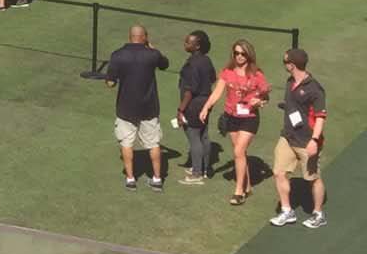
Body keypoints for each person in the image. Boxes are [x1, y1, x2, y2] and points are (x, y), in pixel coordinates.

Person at [201, 39, 269, 205]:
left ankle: (239, 192)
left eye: (243, 53)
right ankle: (247, 186)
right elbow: (217, 92)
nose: (239, 56)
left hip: (249, 118)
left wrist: (258, 102)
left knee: (238, 152)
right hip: (231, 117)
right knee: (240, 153)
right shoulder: (227, 72)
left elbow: (265, 96)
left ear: (249, 55)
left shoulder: (257, 75)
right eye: (236, 53)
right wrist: (206, 108)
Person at [104, 24, 168, 190]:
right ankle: (157, 178)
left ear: (129, 36)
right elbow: (164, 63)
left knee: (126, 143)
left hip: (126, 108)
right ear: (144, 37)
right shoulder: (152, 55)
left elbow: (110, 83)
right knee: (153, 143)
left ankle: (131, 179)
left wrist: (110, 81)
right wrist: (152, 47)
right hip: (149, 108)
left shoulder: (118, 55)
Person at [269, 47, 326, 228]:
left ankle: (318, 213)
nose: (284, 64)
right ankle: (287, 211)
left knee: (313, 179)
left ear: (292, 65)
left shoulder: (315, 89)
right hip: (287, 137)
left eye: (285, 61)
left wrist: (314, 140)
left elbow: (320, 117)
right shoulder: (289, 82)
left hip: (307, 141)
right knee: (279, 172)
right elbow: (294, 105)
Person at [176, 30, 218, 184]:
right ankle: (205, 169)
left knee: (194, 137)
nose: (185, 44)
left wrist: (181, 110)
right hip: (206, 101)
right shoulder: (206, 60)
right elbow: (213, 78)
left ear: (197, 46)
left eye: (188, 42)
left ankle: (196, 173)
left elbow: (189, 91)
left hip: (193, 104)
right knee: (204, 135)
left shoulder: (192, 64)